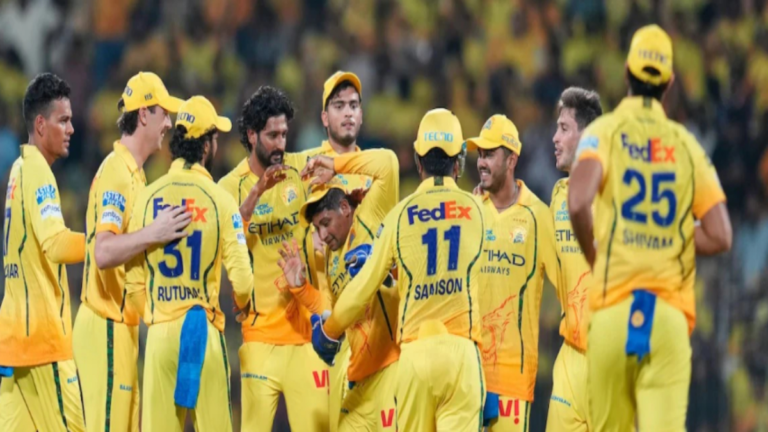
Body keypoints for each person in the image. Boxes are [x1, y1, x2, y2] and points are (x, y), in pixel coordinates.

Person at [568, 24, 732, 431]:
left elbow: (578, 201)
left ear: (626, 72)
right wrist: (669, 235)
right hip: (667, 320)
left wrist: (596, 257)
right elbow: (720, 235)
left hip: (611, 311)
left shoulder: (603, 132)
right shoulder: (687, 145)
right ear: (670, 83)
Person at [315, 108, 486, 431]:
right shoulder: (478, 210)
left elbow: (361, 290)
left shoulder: (398, 216)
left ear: (418, 162)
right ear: (458, 163)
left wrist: (329, 331)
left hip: (414, 357)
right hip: (462, 353)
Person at [124, 96, 252, 432]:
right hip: (203, 332)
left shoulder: (146, 197)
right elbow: (243, 282)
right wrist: (242, 304)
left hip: (160, 334)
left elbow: (132, 281)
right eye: (215, 138)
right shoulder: (221, 200)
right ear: (206, 145)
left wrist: (156, 316)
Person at [73, 71, 191, 432]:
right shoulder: (117, 173)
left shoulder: (135, 175)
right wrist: (154, 233)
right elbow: (104, 251)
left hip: (121, 329)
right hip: (106, 326)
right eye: (164, 114)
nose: (168, 123)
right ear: (143, 114)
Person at [218, 86, 330, 432]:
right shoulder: (229, 187)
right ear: (252, 135)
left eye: (284, 134)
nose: (281, 143)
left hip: (307, 337)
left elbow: (343, 157)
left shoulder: (302, 170)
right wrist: (257, 192)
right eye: (272, 135)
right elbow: (225, 243)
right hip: (259, 337)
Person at [278, 146, 400, 431]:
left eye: (325, 223)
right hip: (359, 381)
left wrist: (336, 164)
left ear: (344, 208)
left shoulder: (370, 213)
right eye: (317, 228)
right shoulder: (331, 259)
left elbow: (389, 162)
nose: (322, 235)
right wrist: (301, 289)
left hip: (392, 370)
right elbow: (334, 314)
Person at [0, 73, 86, 432]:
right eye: (62, 120)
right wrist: (102, 243)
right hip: (44, 341)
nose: (71, 129)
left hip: (14, 340)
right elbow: (56, 244)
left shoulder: (18, 169)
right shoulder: (37, 170)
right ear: (40, 124)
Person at [467, 115, 560, 431]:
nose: (481, 162)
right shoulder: (469, 210)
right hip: (467, 373)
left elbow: (564, 285)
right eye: (480, 154)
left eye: (490, 154)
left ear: (511, 160)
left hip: (512, 377)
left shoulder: (538, 216)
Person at [546, 87, 603, 432]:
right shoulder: (557, 198)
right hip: (569, 358)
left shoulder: (614, 196)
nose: (555, 138)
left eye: (564, 128)